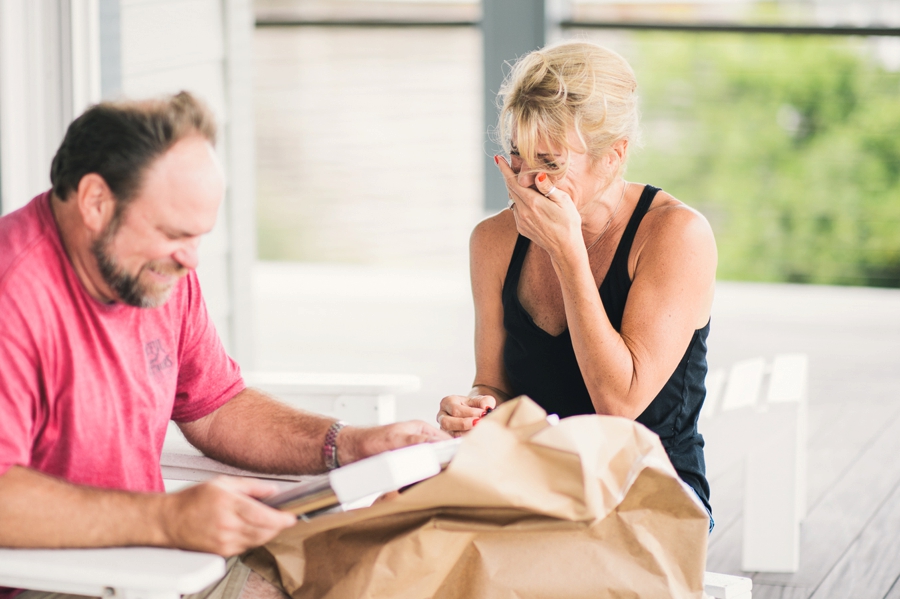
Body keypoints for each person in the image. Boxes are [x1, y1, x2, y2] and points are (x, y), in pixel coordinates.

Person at [0, 92, 448, 599]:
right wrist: (169, 518)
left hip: (158, 570)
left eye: (200, 236)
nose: (191, 260)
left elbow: (216, 407)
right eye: (174, 232)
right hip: (53, 583)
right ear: (96, 202)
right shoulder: (13, 292)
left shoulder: (157, 273)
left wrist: (348, 444)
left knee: (373, 562)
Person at [436, 41, 717, 526]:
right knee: (395, 521)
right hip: (534, 480)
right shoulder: (493, 241)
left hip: (652, 493)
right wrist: (477, 407)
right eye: (517, 156)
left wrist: (567, 253)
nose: (527, 180)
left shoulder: (676, 235)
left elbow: (618, 404)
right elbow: (494, 384)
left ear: (614, 156)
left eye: (551, 162)